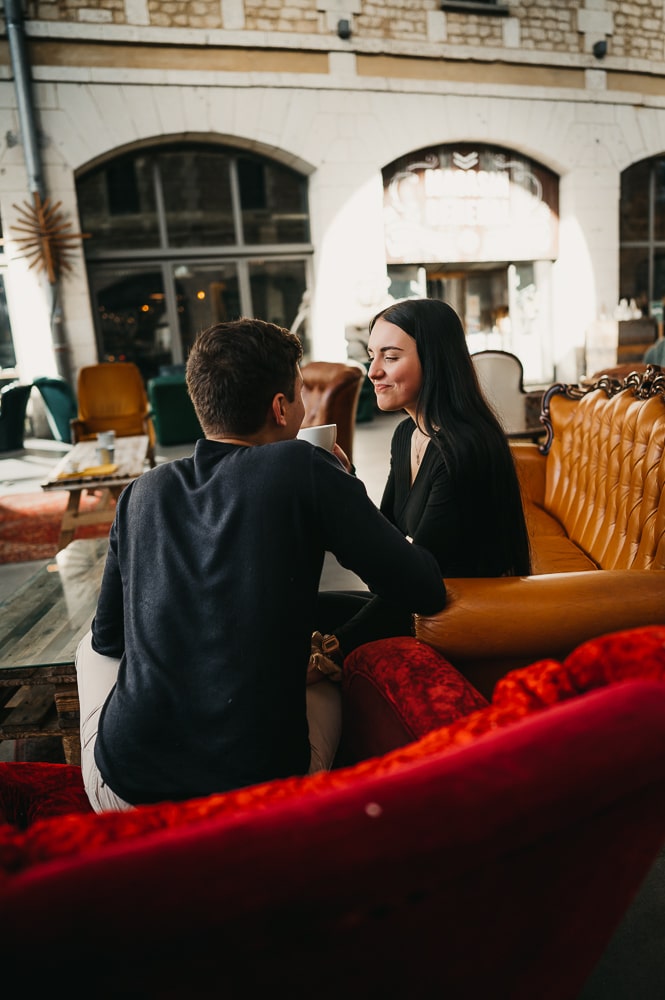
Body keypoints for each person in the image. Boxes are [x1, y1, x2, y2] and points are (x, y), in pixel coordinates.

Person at [75, 317, 446, 812]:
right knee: (322, 669)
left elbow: (110, 640)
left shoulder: (141, 492)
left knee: (88, 646)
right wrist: (341, 486)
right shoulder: (302, 466)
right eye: (298, 395)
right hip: (260, 790)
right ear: (279, 407)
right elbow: (422, 588)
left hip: (126, 789)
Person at [313, 297, 532, 665]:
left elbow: (409, 579)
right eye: (372, 355)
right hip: (423, 602)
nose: (373, 372)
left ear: (435, 359)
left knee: (316, 631)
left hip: (464, 615)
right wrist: (343, 476)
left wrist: (332, 651)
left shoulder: (463, 448)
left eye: (391, 357)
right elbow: (386, 545)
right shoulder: (407, 435)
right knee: (305, 608)